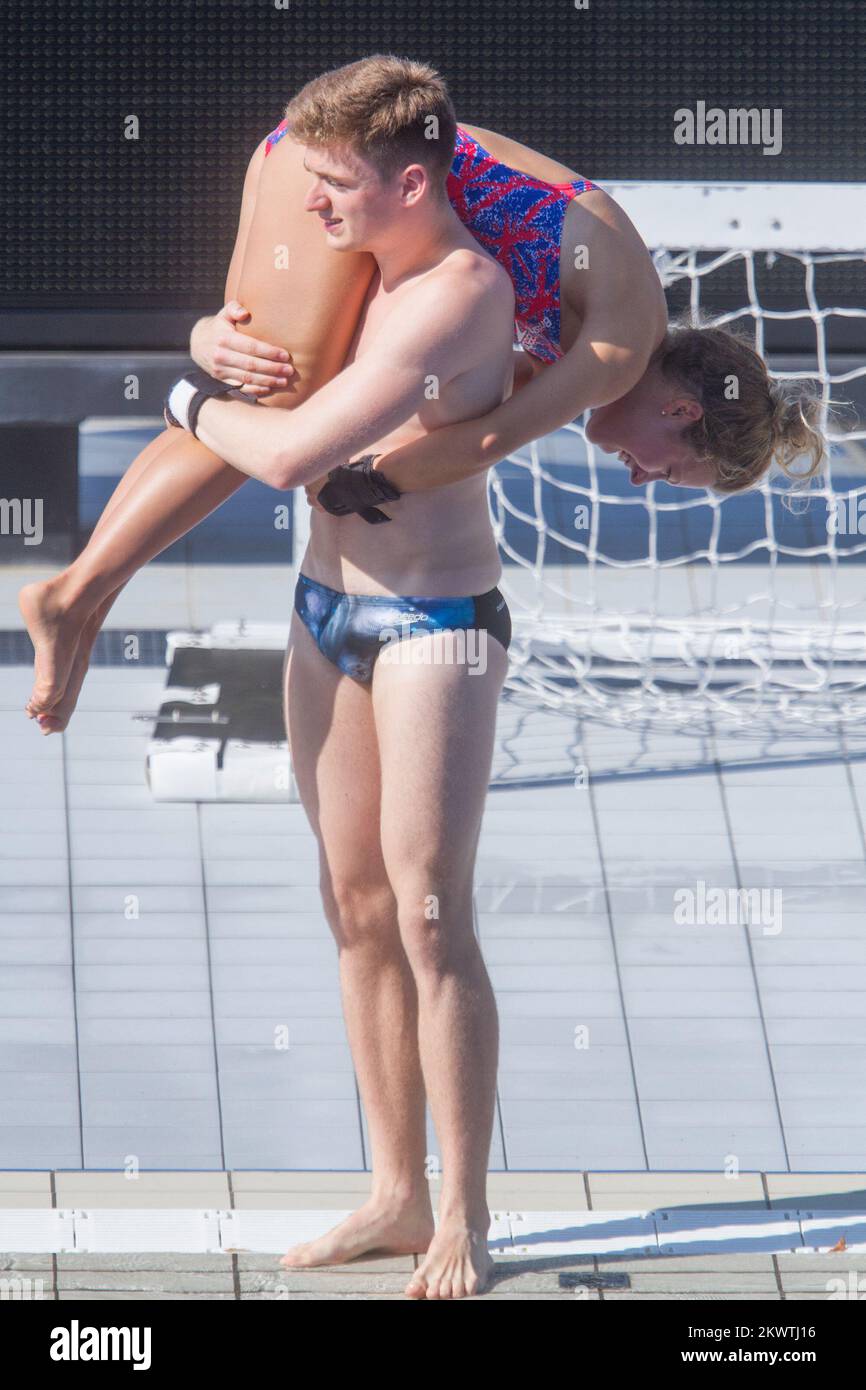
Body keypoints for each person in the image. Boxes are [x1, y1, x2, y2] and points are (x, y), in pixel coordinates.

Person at [18, 63, 826, 733]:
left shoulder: (598, 328)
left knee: (258, 381)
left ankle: (90, 592)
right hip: (349, 165)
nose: (639, 479)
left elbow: (454, 395)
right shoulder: (616, 351)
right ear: (683, 413)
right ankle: (73, 594)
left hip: (347, 163)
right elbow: (483, 443)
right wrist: (362, 480)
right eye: (668, 473)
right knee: (268, 393)